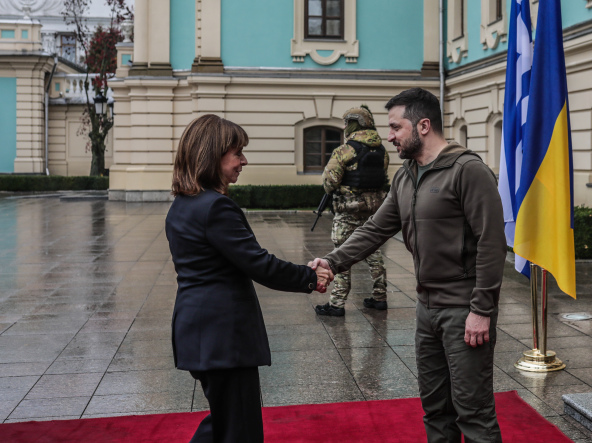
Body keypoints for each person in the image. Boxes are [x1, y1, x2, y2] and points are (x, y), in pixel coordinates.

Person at [309, 88, 507, 443]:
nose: (389, 136)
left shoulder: (469, 171)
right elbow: (375, 228)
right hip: (426, 309)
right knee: (435, 410)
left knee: (473, 413)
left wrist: (482, 309)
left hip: (464, 310)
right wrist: (332, 261)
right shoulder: (406, 175)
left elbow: (492, 244)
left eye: (396, 127)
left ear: (424, 126)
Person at [166, 114, 332, 442]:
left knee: (225, 423)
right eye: (236, 152)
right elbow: (259, 265)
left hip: (200, 332)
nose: (243, 160)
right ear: (212, 155)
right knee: (240, 431)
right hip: (223, 336)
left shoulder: (182, 205)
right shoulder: (215, 207)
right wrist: (310, 278)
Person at [315, 105, 390, 317]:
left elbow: (329, 182)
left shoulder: (344, 151)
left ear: (355, 123)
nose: (345, 127)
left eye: (347, 122)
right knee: (374, 252)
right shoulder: (382, 151)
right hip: (373, 211)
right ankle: (379, 297)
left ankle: (337, 303)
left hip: (347, 211)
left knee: (341, 254)